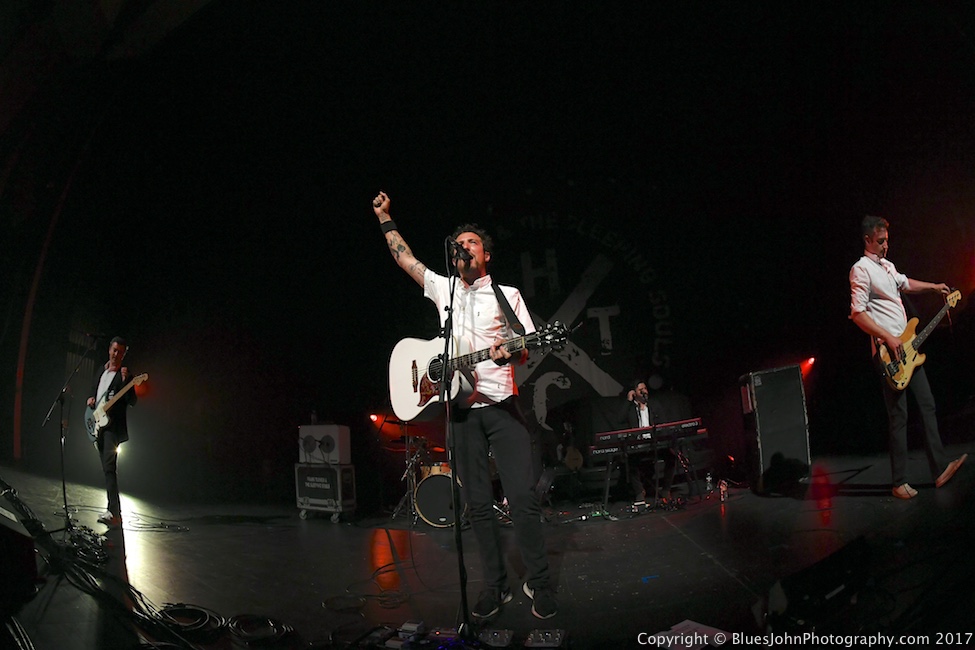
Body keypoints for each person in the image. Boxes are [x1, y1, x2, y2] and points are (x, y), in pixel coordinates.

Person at [371, 190, 557, 620]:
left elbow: (524, 350)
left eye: (472, 242)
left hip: (502, 407)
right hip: (461, 413)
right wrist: (384, 218)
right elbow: (405, 259)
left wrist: (507, 353)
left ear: (485, 254)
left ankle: (539, 581)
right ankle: (495, 585)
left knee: (522, 498)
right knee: (476, 505)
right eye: (459, 244)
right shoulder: (446, 290)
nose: (464, 247)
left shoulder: (507, 295)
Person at [849, 215, 966, 499]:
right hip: (888, 354)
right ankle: (899, 482)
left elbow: (906, 283)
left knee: (927, 404)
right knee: (898, 416)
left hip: (908, 349)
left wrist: (934, 286)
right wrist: (886, 337)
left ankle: (939, 470)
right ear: (867, 239)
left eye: (887, 240)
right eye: (881, 241)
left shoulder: (887, 266)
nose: (886, 245)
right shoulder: (861, 269)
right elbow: (857, 314)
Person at [86, 336, 137, 527]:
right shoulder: (101, 369)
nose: (116, 354)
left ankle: (114, 513)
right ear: (109, 349)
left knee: (109, 467)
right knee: (106, 468)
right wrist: (91, 398)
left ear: (124, 354)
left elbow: (132, 401)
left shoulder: (125, 375)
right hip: (98, 422)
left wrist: (125, 381)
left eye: (120, 352)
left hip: (113, 428)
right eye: (114, 350)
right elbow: (95, 389)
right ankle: (114, 512)